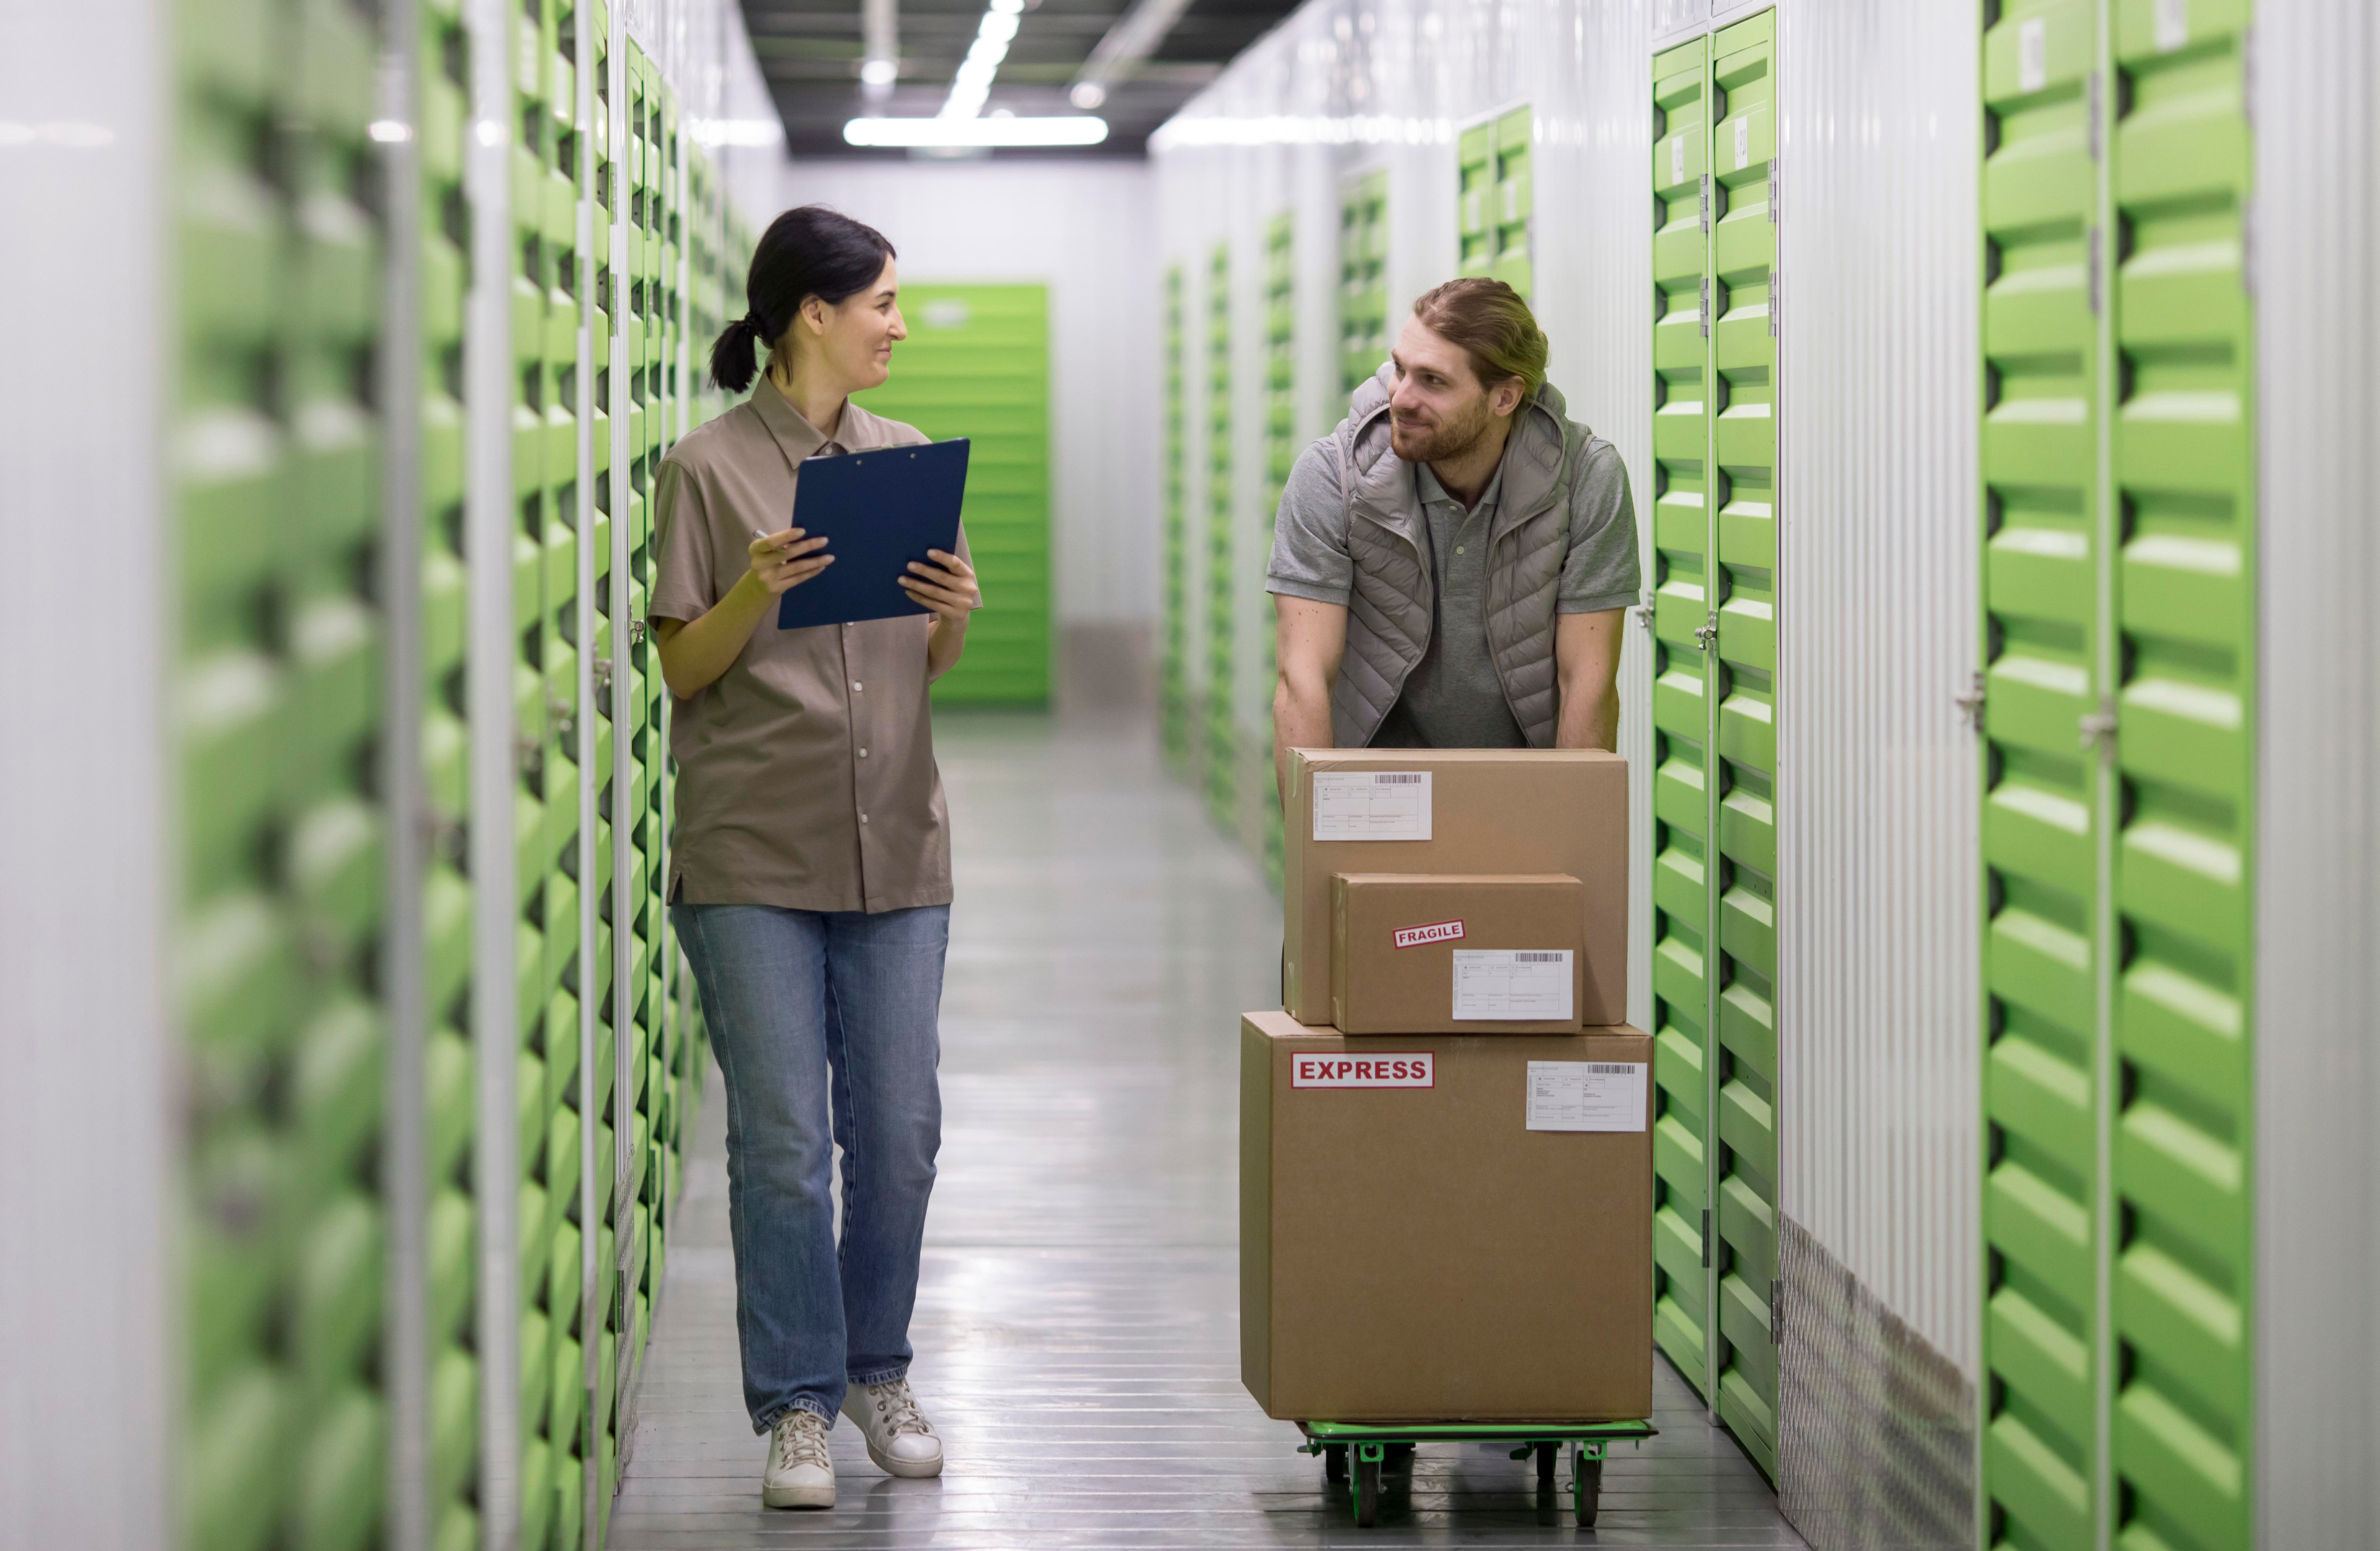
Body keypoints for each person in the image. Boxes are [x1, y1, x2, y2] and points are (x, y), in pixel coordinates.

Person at [648, 205, 981, 1511]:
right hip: (752, 848)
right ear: (813, 315)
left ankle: (876, 1368)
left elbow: (923, 665)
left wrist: (953, 616)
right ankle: (794, 1404)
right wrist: (755, 588)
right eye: (884, 303)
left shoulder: (903, 461)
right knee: (784, 1141)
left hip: (896, 840)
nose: (900, 325)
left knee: (897, 1131)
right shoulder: (708, 470)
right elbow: (681, 666)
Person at [1267, 277, 1640, 787]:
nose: (1401, 398)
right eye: (1400, 369)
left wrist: (1569, 839)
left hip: (1522, 788)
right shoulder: (1333, 476)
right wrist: (1311, 849)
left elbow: (1588, 685)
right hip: (1373, 793)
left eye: (1433, 381)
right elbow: (1301, 682)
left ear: (1504, 397)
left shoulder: (1586, 481)